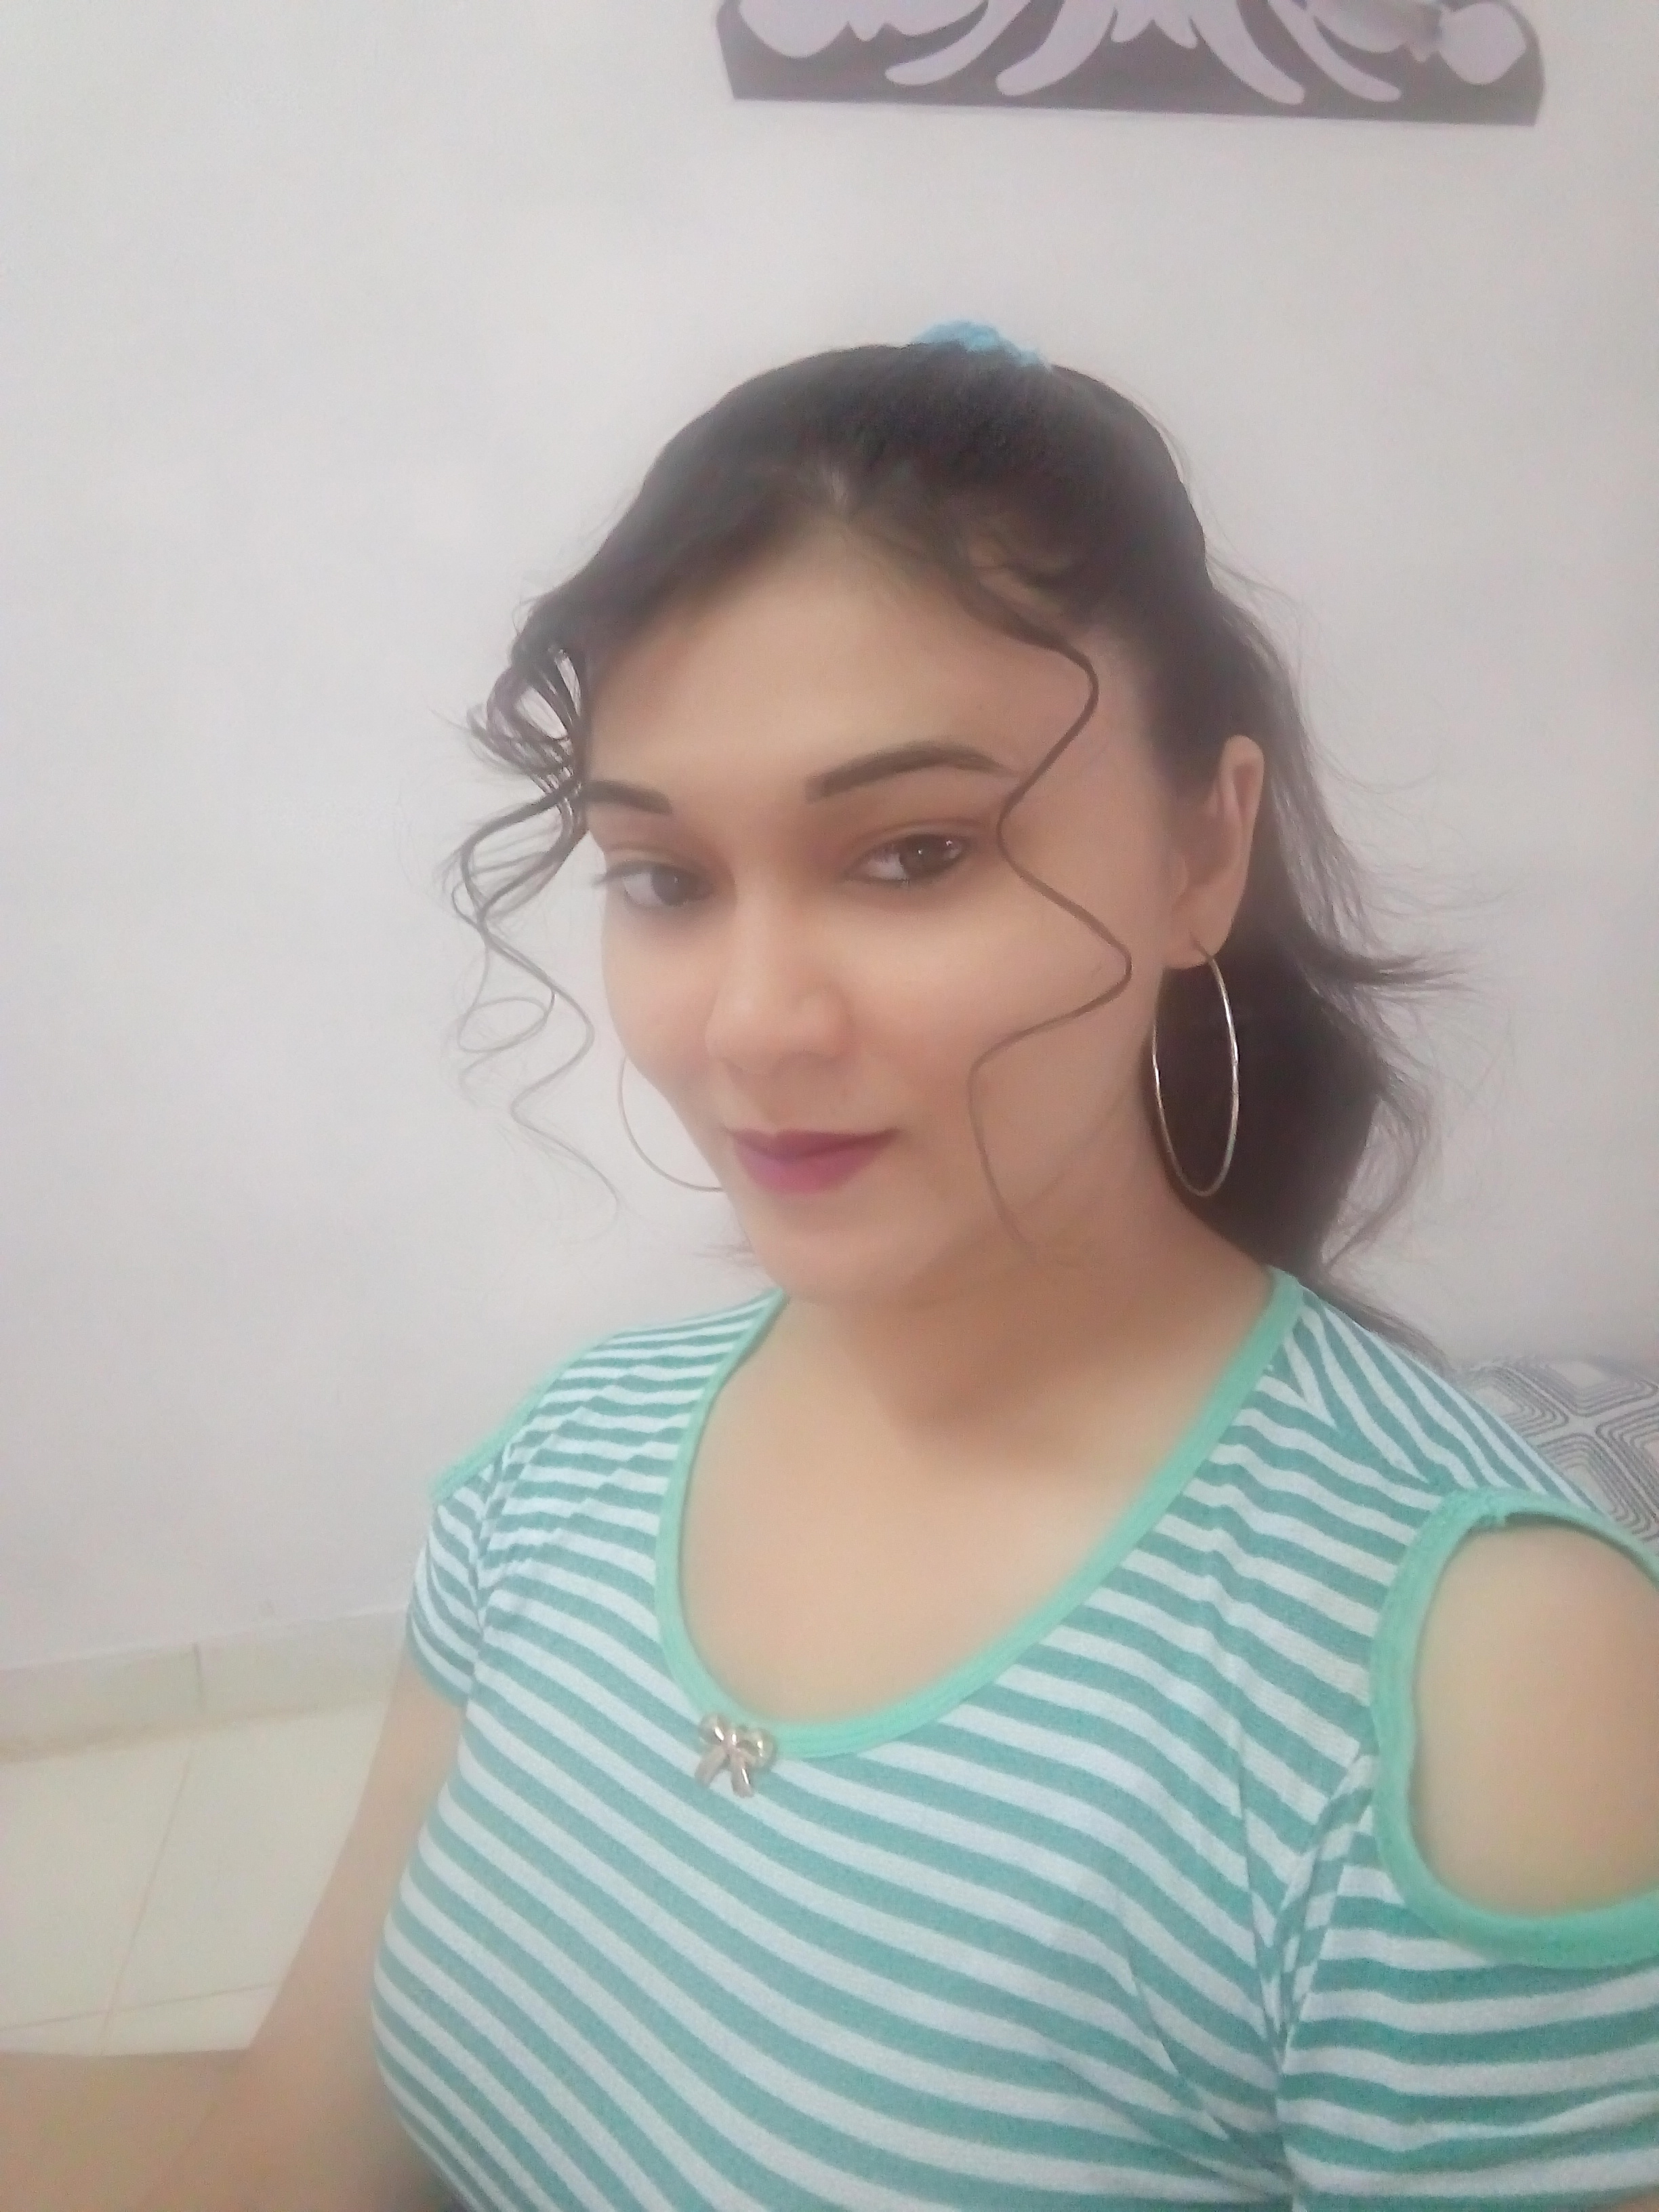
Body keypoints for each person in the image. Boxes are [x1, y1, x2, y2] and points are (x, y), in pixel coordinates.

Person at [16, 324, 1658, 2211]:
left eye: (913, 856)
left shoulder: (1483, 1689)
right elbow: (294, 2161)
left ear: (1204, 852)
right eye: (664, 879)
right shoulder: (565, 1466)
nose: (751, 1027)